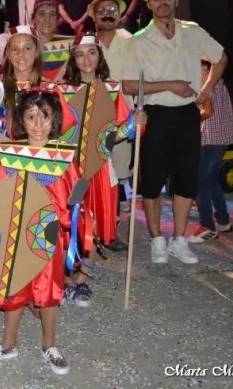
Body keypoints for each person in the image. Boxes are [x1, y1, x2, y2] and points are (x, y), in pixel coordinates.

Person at [122, 0, 228, 265]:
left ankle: (179, 241)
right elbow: (129, 85)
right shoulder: (139, 41)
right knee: (152, 181)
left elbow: (220, 58)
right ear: (148, 2)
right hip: (154, 114)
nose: (163, 1)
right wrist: (170, 85)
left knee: (187, 180)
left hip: (186, 114)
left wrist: (206, 90)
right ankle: (157, 240)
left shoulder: (192, 32)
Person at [0, 89, 77, 375]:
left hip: (47, 236)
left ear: (55, 119)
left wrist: (65, 219)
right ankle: (8, 344)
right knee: (14, 288)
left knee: (49, 290)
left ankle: (50, 345)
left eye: (45, 117)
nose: (38, 124)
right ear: (21, 120)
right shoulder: (11, 155)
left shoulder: (63, 157)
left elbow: (72, 200)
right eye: (31, 117)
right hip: (17, 236)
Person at [60, 31, 145, 305]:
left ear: (100, 56)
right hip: (68, 168)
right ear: (73, 59)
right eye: (80, 54)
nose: (86, 59)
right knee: (66, 221)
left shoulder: (112, 88)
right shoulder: (61, 90)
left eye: (92, 52)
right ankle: (64, 279)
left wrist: (133, 123)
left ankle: (82, 280)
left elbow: (115, 133)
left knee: (92, 223)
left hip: (98, 167)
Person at [88, 0, 134, 248]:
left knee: (116, 174)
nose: (107, 15)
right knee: (92, 172)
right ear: (94, 15)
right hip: (91, 119)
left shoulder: (131, 41)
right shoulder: (86, 43)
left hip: (122, 118)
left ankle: (111, 230)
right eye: (102, 11)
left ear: (119, 14)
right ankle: (89, 229)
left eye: (112, 10)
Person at [187, 60, 233, 241]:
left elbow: (207, 111)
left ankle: (208, 227)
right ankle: (223, 221)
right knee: (211, 180)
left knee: (200, 182)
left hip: (208, 138)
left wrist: (187, 123)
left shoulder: (200, 78)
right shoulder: (215, 78)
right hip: (220, 139)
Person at [31, 0, 73, 83]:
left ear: (58, 20)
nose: (47, 19)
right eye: (42, 14)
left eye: (52, 14)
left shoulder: (71, 45)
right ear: (33, 19)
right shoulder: (24, 46)